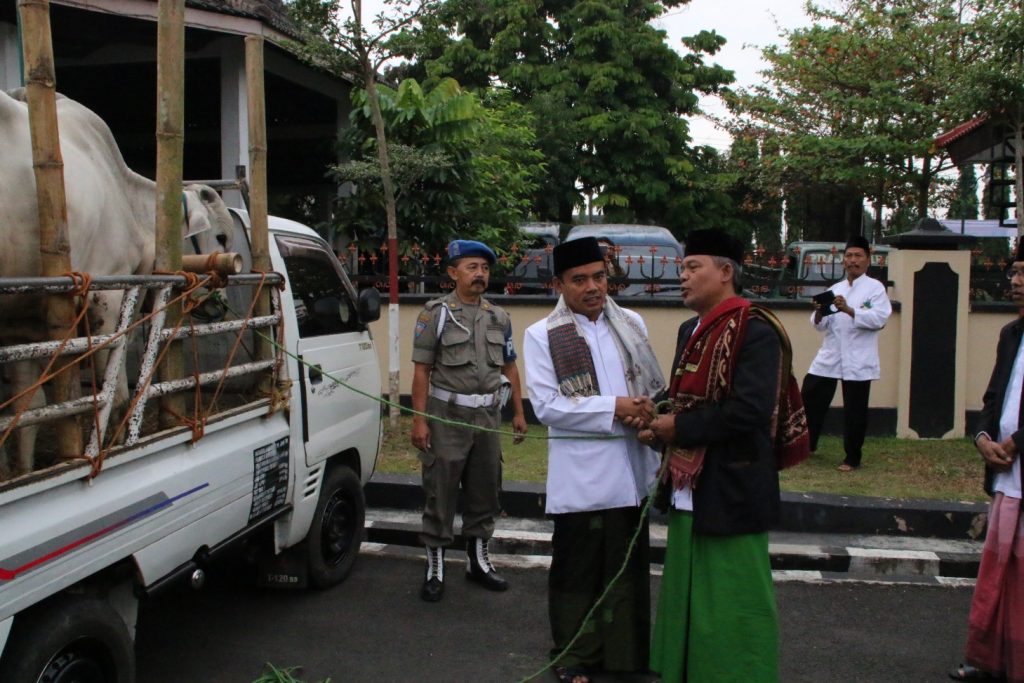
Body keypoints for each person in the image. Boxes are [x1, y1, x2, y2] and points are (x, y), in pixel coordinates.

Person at [640, 228, 808, 683]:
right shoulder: (688, 328)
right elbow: (680, 396)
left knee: (734, 599)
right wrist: (653, 413)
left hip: (731, 485)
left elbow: (751, 409)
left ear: (726, 272)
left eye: (694, 267)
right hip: (687, 483)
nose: (684, 276)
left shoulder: (756, 329)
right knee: (686, 591)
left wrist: (681, 427)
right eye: (682, 267)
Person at [522, 236, 665, 683]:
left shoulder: (632, 322)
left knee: (627, 567)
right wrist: (615, 408)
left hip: (631, 466)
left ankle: (625, 656)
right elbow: (546, 407)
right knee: (578, 570)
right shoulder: (543, 334)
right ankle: (572, 657)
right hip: (582, 474)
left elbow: (650, 385)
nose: (592, 287)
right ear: (558, 285)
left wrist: (646, 410)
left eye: (599, 276)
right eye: (579, 279)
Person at [410, 239, 528, 603]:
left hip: (487, 418)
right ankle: (435, 566)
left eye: (485, 269)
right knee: (441, 490)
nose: (480, 275)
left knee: (485, 489)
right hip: (446, 416)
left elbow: (509, 367)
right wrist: (419, 421)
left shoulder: (499, 317)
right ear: (452, 273)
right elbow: (421, 371)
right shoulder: (435, 314)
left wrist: (520, 413)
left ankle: (478, 562)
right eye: (472, 267)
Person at [949, 244, 1024, 682]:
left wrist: (1017, 442)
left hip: (1015, 459)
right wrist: (982, 437)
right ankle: (993, 660)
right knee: (1001, 573)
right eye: (1014, 272)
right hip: (1006, 474)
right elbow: (993, 398)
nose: (1014, 281)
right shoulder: (1011, 333)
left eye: (1022, 274)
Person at [801, 234, 892, 471]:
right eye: (849, 256)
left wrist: (850, 310)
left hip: (858, 357)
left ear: (867, 260)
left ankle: (852, 457)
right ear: (844, 260)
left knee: (855, 409)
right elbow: (820, 324)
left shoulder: (875, 289)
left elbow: (879, 319)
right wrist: (820, 312)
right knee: (810, 397)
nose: (853, 260)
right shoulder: (835, 288)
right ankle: (805, 446)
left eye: (858, 256)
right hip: (830, 354)